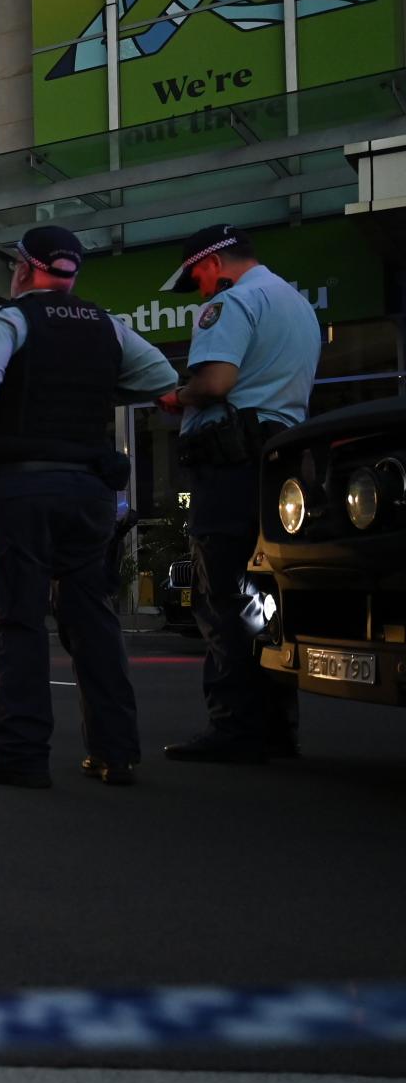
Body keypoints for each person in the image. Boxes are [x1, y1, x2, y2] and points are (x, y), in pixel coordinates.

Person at [0, 226, 179, 788]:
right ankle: (115, 752)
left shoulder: (12, 320)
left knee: (16, 620)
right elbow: (163, 379)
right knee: (92, 621)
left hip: (20, 492)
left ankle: (22, 754)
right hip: (89, 494)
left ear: (23, 268)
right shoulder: (108, 326)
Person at [152, 224, 318, 762]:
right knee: (264, 599)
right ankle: (276, 726)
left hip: (230, 468)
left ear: (213, 263)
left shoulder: (230, 305)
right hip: (280, 466)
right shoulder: (296, 303)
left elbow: (217, 383)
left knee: (221, 593)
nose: (200, 290)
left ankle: (233, 726)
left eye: (197, 278)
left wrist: (180, 395)